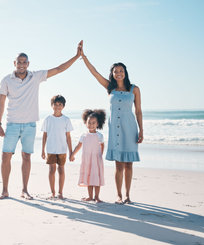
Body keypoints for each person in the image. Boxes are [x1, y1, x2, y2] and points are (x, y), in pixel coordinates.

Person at [0, 41, 83, 200]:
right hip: (12, 124)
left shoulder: (35, 77)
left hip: (30, 125)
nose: (21, 64)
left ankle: (24, 190)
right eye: (19, 62)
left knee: (26, 157)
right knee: (6, 156)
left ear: (28, 64)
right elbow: (1, 103)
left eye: (24, 62)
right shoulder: (6, 80)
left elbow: (58, 69)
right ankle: (5, 190)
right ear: (15, 63)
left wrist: (77, 56)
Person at [79, 41, 143, 204]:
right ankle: (119, 195)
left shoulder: (134, 89)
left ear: (125, 72)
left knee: (129, 164)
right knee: (118, 164)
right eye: (116, 71)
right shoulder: (110, 88)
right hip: (115, 130)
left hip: (130, 129)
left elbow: (138, 111)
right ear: (113, 74)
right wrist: (83, 57)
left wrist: (141, 130)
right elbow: (94, 73)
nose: (118, 73)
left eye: (121, 71)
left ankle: (128, 195)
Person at [70, 109, 106, 203]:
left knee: (96, 178)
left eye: (93, 123)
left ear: (97, 124)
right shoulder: (84, 135)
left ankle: (97, 197)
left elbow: (102, 145)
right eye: (89, 122)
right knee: (89, 178)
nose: (91, 124)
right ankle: (90, 196)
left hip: (96, 160)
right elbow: (78, 146)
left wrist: (100, 155)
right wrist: (72, 154)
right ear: (86, 123)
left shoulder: (99, 136)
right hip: (87, 160)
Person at [41, 95, 73, 200]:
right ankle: (52, 192)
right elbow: (44, 135)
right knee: (51, 170)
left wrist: (71, 152)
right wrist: (42, 150)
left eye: (60, 104)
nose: (57, 106)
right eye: (55, 104)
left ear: (63, 106)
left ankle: (60, 192)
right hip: (50, 149)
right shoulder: (48, 119)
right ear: (52, 105)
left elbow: (68, 137)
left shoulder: (66, 119)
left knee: (61, 169)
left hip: (62, 149)